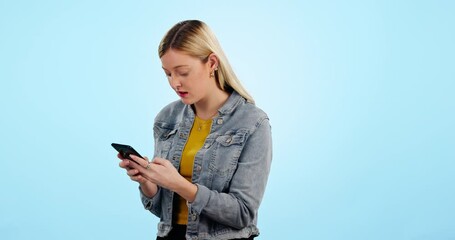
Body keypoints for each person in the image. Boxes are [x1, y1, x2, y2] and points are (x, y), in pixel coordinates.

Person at [118, 20, 272, 240]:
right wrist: (148, 182)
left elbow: (243, 213)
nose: (174, 83)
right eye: (168, 74)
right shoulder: (166, 118)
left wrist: (180, 184)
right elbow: (162, 210)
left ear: (211, 63)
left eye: (182, 72)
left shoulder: (253, 123)